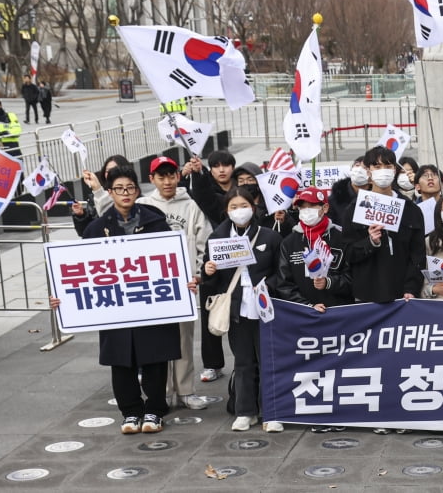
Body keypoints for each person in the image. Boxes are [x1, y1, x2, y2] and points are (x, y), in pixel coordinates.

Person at [50, 166, 183, 435]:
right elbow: (82, 269)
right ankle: (131, 412)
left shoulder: (155, 221)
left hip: (150, 302)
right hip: (117, 306)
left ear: (137, 190)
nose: (125, 193)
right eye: (119, 189)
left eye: (130, 188)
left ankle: (155, 410)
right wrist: (63, 296)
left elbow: (171, 261)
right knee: (122, 359)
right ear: (109, 192)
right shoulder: (97, 228)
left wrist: (184, 282)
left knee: (155, 357)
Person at [202, 186, 284, 432]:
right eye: (233, 207)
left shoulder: (269, 237)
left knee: (268, 360)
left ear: (254, 207)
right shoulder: (218, 238)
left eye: (244, 206)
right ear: (226, 211)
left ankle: (272, 412)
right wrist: (208, 272)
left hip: (265, 306)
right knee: (243, 360)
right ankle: (245, 411)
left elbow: (281, 273)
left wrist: (266, 287)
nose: (240, 211)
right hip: (237, 308)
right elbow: (212, 282)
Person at [136, 156, 211, 411]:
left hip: (183, 285)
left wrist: (198, 273)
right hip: (152, 286)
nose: (167, 181)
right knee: (155, 341)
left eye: (171, 175)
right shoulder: (142, 205)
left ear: (178, 176)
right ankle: (161, 392)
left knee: (183, 340)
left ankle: (185, 390)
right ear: (152, 179)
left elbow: (204, 242)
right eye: (161, 176)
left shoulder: (192, 206)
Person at [341, 146, 426, 304]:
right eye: (377, 166)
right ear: (368, 172)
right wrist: (370, 242)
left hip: (403, 296)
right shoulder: (354, 210)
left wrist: (411, 288)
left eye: (388, 166)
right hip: (367, 295)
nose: (383, 171)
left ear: (394, 170)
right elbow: (348, 253)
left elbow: (417, 254)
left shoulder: (411, 210)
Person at [270, 187, 355, 310]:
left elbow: (353, 278)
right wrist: (307, 306)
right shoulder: (289, 243)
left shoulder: (342, 238)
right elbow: (284, 285)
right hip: (305, 315)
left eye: (311, 206)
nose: (306, 211)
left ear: (325, 208)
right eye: (302, 207)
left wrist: (328, 282)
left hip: (338, 312)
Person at [329, 156, 369, 225]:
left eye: (364, 167)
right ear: (351, 169)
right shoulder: (336, 198)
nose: (359, 170)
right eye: (357, 165)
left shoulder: (377, 196)